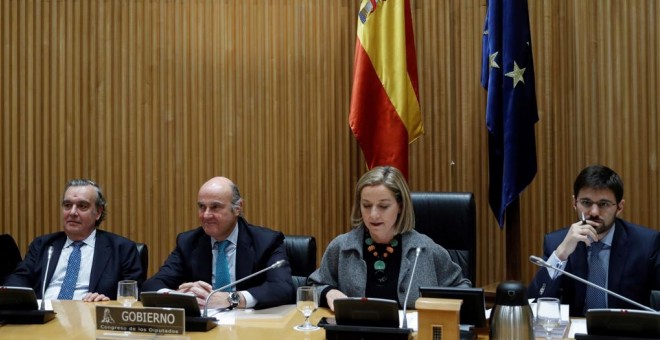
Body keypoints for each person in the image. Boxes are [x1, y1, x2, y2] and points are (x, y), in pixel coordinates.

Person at [308, 166, 471, 311]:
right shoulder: (342, 247)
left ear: (400, 206)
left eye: (383, 206)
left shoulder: (424, 249)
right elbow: (312, 287)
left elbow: (463, 290)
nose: (373, 214)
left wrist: (435, 309)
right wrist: (329, 292)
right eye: (366, 205)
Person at [142, 176, 295, 310]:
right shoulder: (188, 242)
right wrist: (177, 297)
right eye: (202, 207)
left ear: (237, 208)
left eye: (215, 207)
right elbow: (152, 284)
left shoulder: (266, 241)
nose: (206, 215)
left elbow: (282, 288)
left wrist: (231, 299)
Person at [528, 165, 660, 316]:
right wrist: (560, 255)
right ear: (574, 203)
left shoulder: (646, 244)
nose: (594, 212)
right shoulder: (556, 242)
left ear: (619, 207)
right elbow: (534, 302)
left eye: (603, 204)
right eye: (586, 202)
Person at [5, 179, 144, 301]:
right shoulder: (43, 245)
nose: (72, 212)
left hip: (89, 320)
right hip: (43, 317)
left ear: (98, 212)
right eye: (67, 205)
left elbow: (132, 295)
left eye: (82, 206)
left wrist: (107, 302)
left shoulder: (121, 249)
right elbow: (19, 279)